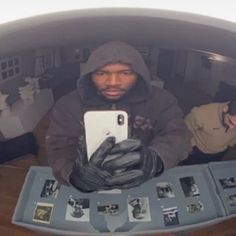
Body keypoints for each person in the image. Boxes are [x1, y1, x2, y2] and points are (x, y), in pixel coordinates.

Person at [45, 41, 191, 192]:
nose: (113, 83)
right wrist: (74, 175)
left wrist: (157, 160)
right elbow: (58, 147)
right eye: (101, 73)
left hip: (143, 179)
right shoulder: (68, 105)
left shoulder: (161, 100)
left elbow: (178, 135)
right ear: (89, 75)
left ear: (139, 74)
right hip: (93, 182)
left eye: (125, 73)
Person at [181, 101, 236, 165]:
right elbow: (184, 132)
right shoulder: (200, 113)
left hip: (219, 153)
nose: (232, 128)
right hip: (198, 152)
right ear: (225, 109)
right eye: (230, 122)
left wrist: (231, 144)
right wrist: (189, 148)